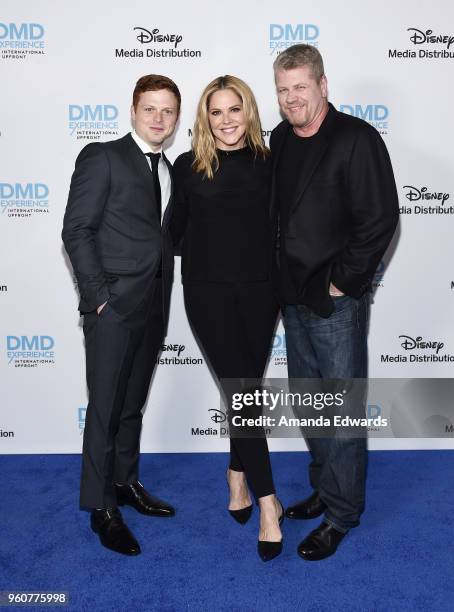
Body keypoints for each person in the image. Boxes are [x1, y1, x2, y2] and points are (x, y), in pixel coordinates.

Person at [270, 44, 399, 560]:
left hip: (334, 301)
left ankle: (343, 513)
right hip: (292, 297)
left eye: (300, 86)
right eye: (283, 90)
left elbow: (380, 218)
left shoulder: (356, 138)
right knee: (310, 404)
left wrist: (342, 283)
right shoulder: (280, 138)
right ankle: (324, 490)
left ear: (323, 86)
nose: (291, 98)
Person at [62, 74, 181, 556]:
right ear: (133, 111)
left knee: (132, 403)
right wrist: (98, 299)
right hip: (113, 307)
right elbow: (76, 230)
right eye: (149, 108)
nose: (158, 118)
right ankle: (100, 506)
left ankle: (126, 482)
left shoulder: (169, 169)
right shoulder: (102, 156)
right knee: (106, 407)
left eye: (168, 111)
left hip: (155, 303)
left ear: (176, 117)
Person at [171, 75, 283, 561]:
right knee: (242, 392)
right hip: (208, 295)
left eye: (234, 109)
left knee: (246, 390)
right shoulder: (187, 167)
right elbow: (171, 233)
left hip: (262, 294)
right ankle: (267, 501)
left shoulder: (271, 162)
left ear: (249, 111)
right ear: (204, 118)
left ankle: (236, 473)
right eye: (215, 112)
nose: (226, 120)